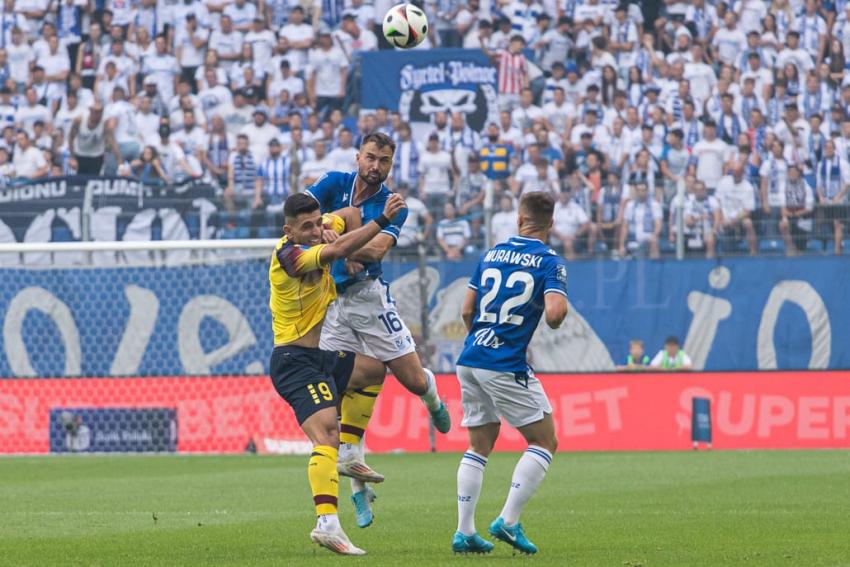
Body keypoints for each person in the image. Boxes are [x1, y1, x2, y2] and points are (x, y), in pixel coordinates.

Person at [305, 132, 451, 529]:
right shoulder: (333, 183)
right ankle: (356, 491)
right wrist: (328, 236)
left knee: (412, 380)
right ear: (358, 157)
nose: (375, 166)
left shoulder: (392, 206)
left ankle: (433, 396)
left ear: (390, 165)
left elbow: (375, 251)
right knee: (336, 390)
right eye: (370, 157)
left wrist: (339, 243)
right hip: (333, 302)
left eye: (383, 161)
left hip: (370, 299)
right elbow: (301, 217)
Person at [268, 191, 405, 556]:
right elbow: (332, 254)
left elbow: (349, 212)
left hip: (319, 356)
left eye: (317, 223)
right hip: (293, 361)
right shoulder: (290, 256)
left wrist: (336, 228)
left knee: (375, 370)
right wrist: (381, 224)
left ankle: (349, 453)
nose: (314, 231)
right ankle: (326, 523)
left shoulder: (322, 227)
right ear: (288, 230)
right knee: (326, 431)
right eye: (306, 227)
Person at [453, 191, 568, 555]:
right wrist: (557, 307)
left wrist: (483, 339)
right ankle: (509, 521)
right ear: (550, 225)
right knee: (544, 440)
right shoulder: (549, 261)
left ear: (519, 220)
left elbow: (466, 310)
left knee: (479, 444)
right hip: (504, 363)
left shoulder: (490, 254)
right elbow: (553, 314)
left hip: (470, 358)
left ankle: (465, 531)